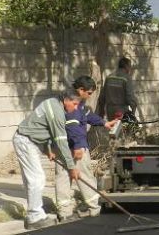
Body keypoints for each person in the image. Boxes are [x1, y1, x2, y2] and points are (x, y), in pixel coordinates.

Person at [12, 90, 81, 230]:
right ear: (66, 100)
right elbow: (61, 141)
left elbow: (45, 129)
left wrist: (48, 149)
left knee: (32, 180)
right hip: (26, 141)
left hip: (28, 141)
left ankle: (33, 215)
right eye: (74, 104)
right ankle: (34, 217)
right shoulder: (57, 111)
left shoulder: (54, 104)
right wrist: (71, 167)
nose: (76, 108)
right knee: (37, 179)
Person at [56, 76, 118, 221]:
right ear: (80, 90)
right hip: (75, 146)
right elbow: (72, 126)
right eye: (89, 93)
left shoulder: (74, 100)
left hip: (62, 146)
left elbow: (87, 115)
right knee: (83, 175)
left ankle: (64, 212)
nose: (90, 96)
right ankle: (94, 207)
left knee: (63, 177)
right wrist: (78, 146)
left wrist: (104, 123)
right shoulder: (73, 103)